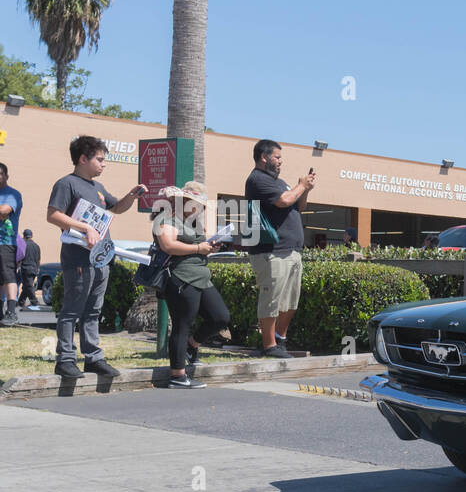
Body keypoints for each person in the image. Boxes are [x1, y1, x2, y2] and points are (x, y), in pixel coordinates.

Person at [46, 136, 145, 378]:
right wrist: (85, 227)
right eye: (99, 159)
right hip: (78, 259)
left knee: (93, 311)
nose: (104, 164)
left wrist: (131, 196)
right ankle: (65, 359)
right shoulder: (66, 184)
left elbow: (116, 207)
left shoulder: (97, 187)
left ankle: (93, 358)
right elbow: (53, 215)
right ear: (83, 159)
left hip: (101, 259)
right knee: (72, 310)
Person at [152, 182, 230, 389]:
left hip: (201, 276)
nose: (202, 208)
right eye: (198, 204)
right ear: (185, 201)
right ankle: (177, 375)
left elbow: (197, 247)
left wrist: (210, 247)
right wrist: (198, 248)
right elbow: (168, 245)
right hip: (180, 277)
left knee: (220, 317)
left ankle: (191, 346)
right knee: (182, 324)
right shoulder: (166, 218)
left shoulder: (193, 222)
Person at [244, 139, 314, 358]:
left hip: (291, 250)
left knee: (290, 301)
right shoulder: (257, 179)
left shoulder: (280, 182)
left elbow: (298, 206)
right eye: (277, 157)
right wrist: (301, 185)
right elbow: (284, 200)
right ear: (263, 157)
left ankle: (279, 340)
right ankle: (269, 346)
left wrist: (305, 190)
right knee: (271, 299)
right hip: (271, 251)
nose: (281, 161)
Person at [0, 161, 22, 326]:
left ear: (6, 176)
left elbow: (4, 211)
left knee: (8, 276)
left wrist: (3, 213)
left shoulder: (12, 194)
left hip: (5, 242)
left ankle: (11, 312)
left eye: (0, 174)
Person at [17, 229, 41, 308]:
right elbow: (38, 259)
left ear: (24, 236)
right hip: (34, 268)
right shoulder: (36, 246)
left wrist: (17, 265)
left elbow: (20, 256)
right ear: (31, 236)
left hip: (26, 268)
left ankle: (34, 302)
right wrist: (38, 268)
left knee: (29, 286)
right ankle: (21, 302)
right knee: (27, 286)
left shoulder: (23, 244)